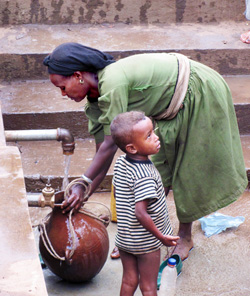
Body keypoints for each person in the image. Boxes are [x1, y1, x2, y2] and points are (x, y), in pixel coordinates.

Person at [43, 42, 248, 262]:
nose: (63, 94)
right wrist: (81, 197)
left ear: (78, 76)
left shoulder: (112, 81)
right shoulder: (95, 101)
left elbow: (110, 146)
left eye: (62, 87)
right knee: (156, 174)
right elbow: (102, 157)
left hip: (198, 90)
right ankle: (136, 238)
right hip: (169, 110)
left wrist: (82, 181)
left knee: (188, 168)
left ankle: (185, 238)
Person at [110, 110, 179, 296]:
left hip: (125, 237)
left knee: (129, 279)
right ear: (132, 148)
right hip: (146, 241)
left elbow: (117, 192)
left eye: (153, 131)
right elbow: (141, 213)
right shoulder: (145, 176)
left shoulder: (121, 163)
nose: (156, 138)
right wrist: (161, 237)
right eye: (149, 136)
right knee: (148, 286)